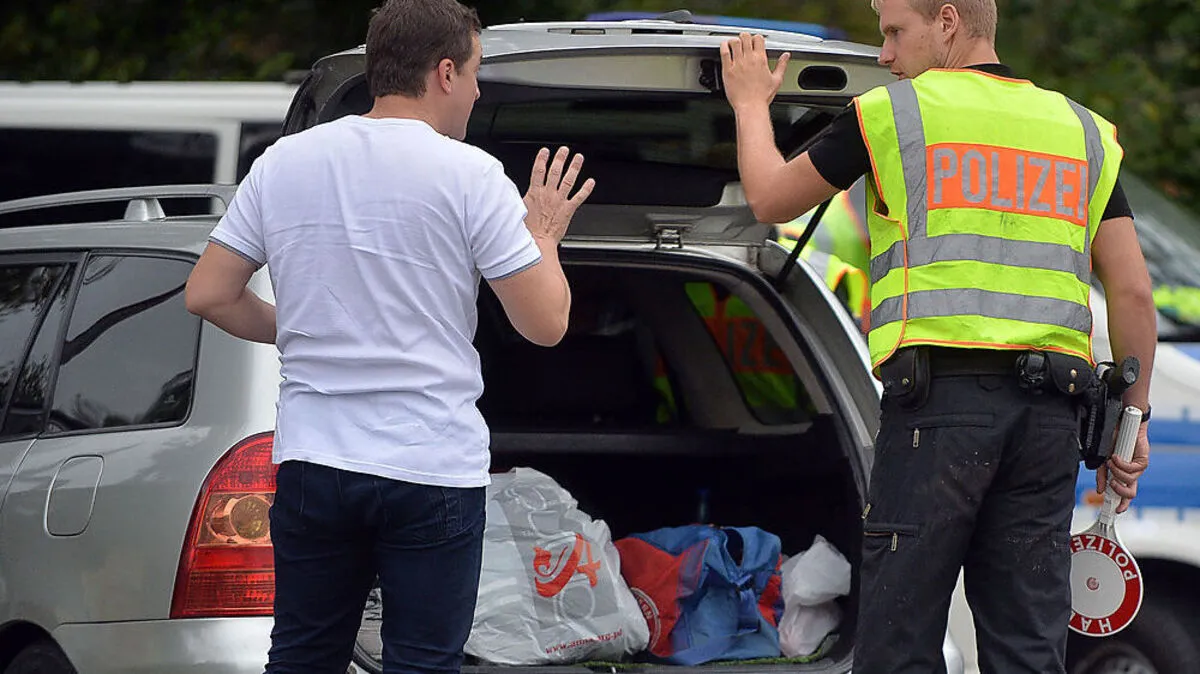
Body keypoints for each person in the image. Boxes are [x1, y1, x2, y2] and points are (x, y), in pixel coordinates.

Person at [716, 1, 1157, 672]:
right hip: (1050, 423)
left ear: (947, 20)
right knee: (1028, 645)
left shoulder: (894, 115)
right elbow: (1132, 292)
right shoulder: (1081, 131)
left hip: (940, 415)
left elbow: (769, 200)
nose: (886, 54)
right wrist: (1131, 422)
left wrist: (750, 104)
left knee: (900, 642)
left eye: (895, 32)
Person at [183, 0, 595, 671]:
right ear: (444, 73)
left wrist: (306, 332)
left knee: (302, 657)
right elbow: (545, 325)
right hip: (430, 464)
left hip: (315, 461)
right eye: (475, 72)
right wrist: (543, 234)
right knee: (423, 662)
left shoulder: (283, 162)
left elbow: (207, 293)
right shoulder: (471, 174)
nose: (478, 91)